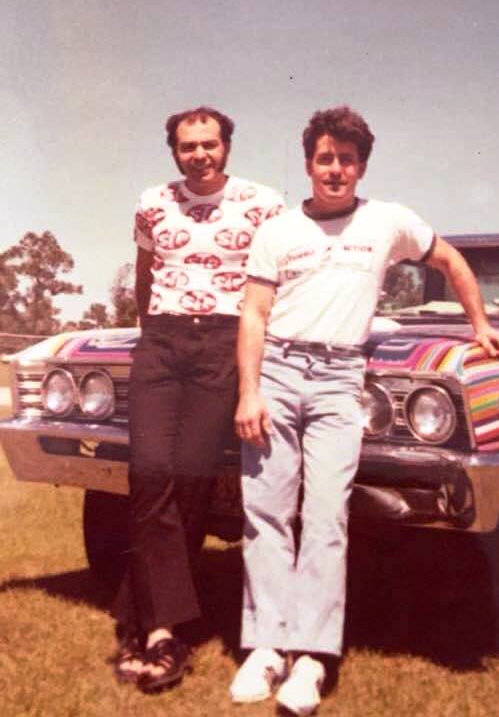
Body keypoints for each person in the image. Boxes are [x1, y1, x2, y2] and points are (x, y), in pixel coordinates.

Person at [229, 105, 499, 715]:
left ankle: (311, 658)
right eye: (325, 159)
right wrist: (249, 392)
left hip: (338, 381)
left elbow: (450, 261)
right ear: (308, 164)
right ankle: (266, 646)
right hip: (276, 372)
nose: (336, 170)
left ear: (361, 167)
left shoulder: (389, 221)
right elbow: (252, 314)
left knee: (327, 516)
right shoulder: (277, 230)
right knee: (267, 512)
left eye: (347, 160)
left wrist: (481, 325)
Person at [110, 106, 284, 693]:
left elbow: (279, 280)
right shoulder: (152, 201)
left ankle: (147, 619)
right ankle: (165, 631)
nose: (200, 154)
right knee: (147, 468)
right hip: (161, 339)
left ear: (227, 146)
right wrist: (152, 331)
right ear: (174, 152)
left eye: (210, 144)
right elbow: (142, 272)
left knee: (189, 474)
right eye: (188, 146)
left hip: (223, 341)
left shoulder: (263, 203)